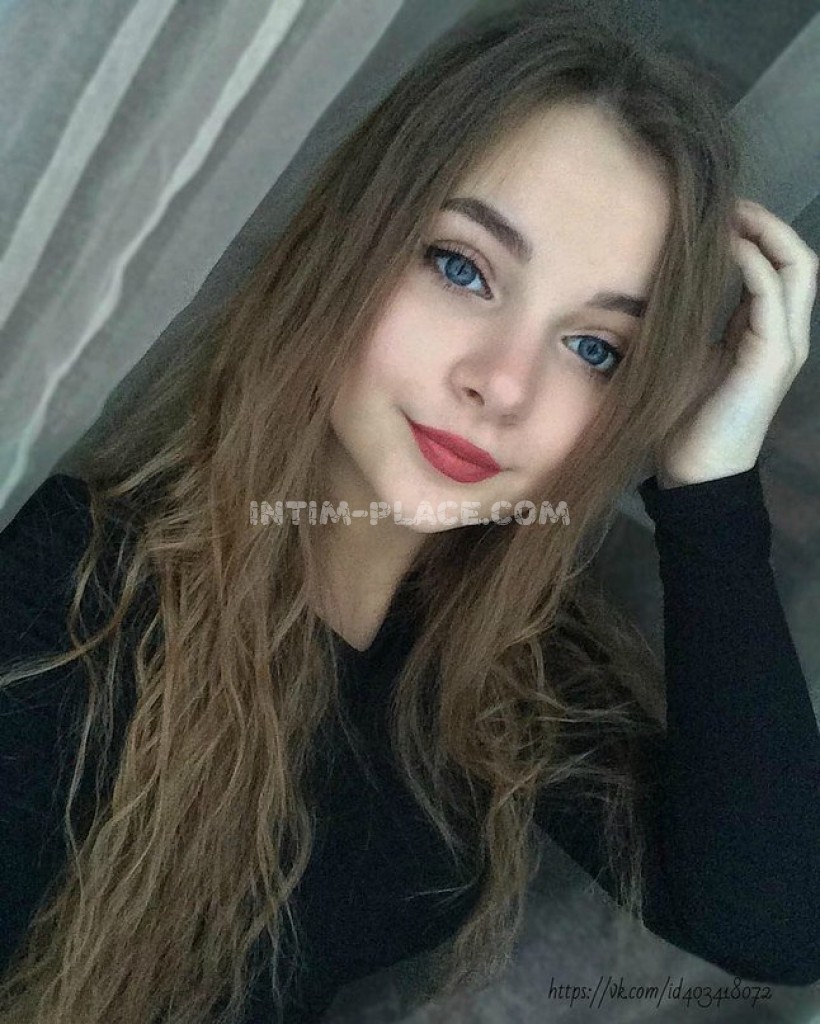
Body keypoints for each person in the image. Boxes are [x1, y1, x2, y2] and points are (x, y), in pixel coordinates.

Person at [1, 3, 819, 1023]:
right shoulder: (63, 591)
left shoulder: (506, 671)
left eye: (595, 349)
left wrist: (709, 488)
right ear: (355, 242)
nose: (503, 384)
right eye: (463, 268)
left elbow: (774, 919)